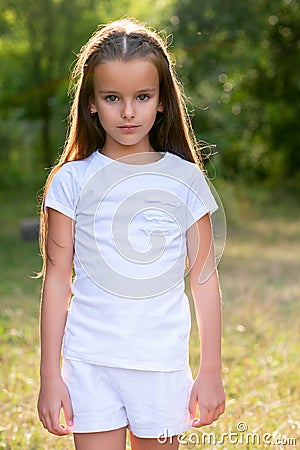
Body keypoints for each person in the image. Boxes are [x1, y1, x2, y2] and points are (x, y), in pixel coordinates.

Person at [37, 18, 226, 450]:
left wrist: (210, 370)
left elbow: (204, 279)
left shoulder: (184, 180)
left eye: (142, 97)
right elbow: (57, 282)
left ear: (161, 101)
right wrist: (51, 377)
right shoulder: (70, 181)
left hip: (160, 366)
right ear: (91, 103)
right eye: (112, 98)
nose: (127, 112)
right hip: (89, 363)